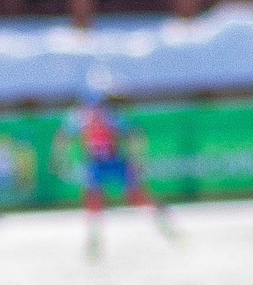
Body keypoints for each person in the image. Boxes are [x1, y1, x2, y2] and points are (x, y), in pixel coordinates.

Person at [58, 89, 173, 259]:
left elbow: (135, 134)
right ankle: (93, 238)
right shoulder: (81, 120)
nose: (94, 111)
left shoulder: (111, 118)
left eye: (97, 107)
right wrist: (61, 158)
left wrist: (138, 158)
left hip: (116, 161)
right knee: (93, 199)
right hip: (96, 164)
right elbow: (64, 137)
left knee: (135, 196)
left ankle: (159, 211)